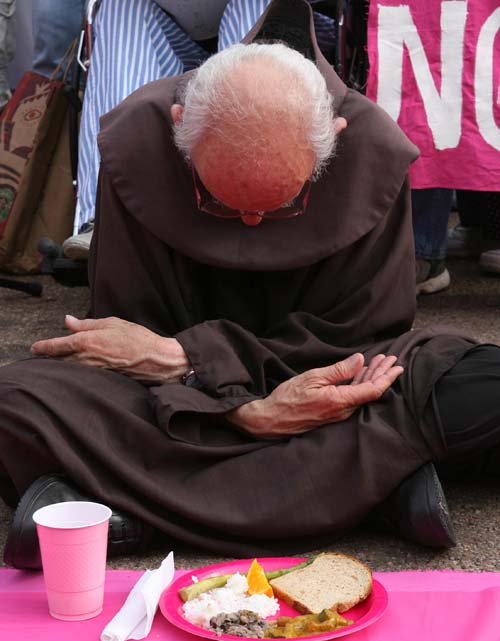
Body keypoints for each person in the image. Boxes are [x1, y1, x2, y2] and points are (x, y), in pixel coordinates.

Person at [2, 0, 500, 570]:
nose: (251, 227)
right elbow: (129, 342)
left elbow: (363, 341)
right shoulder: (137, 142)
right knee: (16, 402)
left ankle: (124, 508)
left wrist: (190, 361)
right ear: (178, 127)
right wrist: (246, 411)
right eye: (218, 201)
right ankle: (372, 488)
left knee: (476, 385)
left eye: (282, 204)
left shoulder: (371, 150)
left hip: (311, 386)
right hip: (178, 404)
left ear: (333, 141)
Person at [61, 0, 338, 259]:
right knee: (120, 6)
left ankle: (245, 201)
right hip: (175, 24)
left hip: (278, 18)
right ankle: (107, 216)